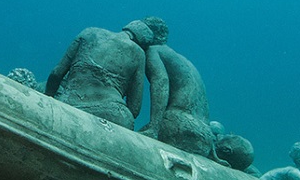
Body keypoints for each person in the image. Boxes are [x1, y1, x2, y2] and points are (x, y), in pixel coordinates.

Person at [139, 17, 225, 164]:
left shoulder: (154, 51)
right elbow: (201, 104)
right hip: (204, 136)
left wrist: (153, 127)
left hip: (179, 126)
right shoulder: (185, 62)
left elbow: (160, 84)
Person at [44, 20, 151, 130]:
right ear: (143, 44)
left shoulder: (89, 32)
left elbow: (56, 73)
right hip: (113, 113)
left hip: (71, 102)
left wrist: (48, 97)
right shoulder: (139, 54)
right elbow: (135, 107)